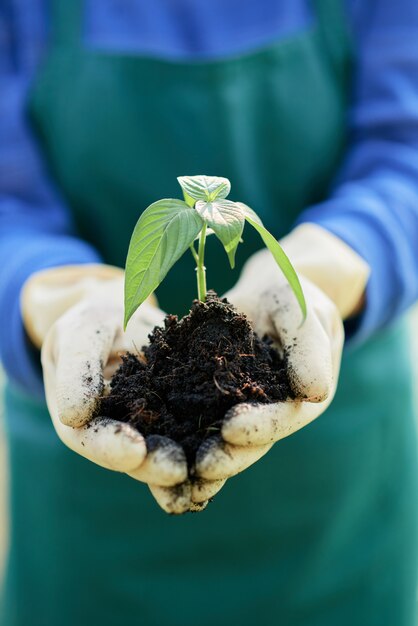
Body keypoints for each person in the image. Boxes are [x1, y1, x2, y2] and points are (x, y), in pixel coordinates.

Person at [1, 0, 418, 624]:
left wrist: (316, 270)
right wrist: (63, 293)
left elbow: (406, 150)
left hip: (336, 493)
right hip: (91, 519)